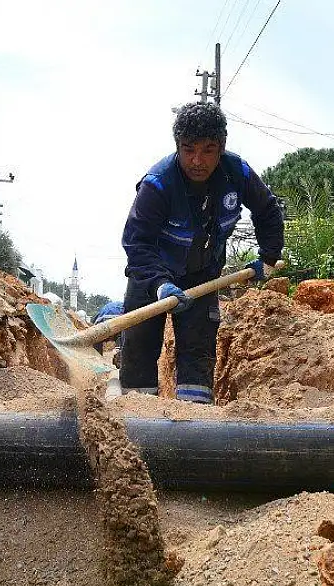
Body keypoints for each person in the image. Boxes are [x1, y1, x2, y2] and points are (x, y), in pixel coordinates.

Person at [119, 102, 284, 404]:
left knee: (198, 356)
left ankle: (193, 426)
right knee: (138, 356)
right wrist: (159, 285)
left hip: (201, 279)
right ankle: (136, 422)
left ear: (221, 147)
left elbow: (267, 210)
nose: (198, 160)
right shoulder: (157, 185)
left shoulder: (239, 174)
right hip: (150, 279)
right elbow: (136, 244)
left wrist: (269, 256)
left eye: (208, 150)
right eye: (188, 150)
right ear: (177, 147)